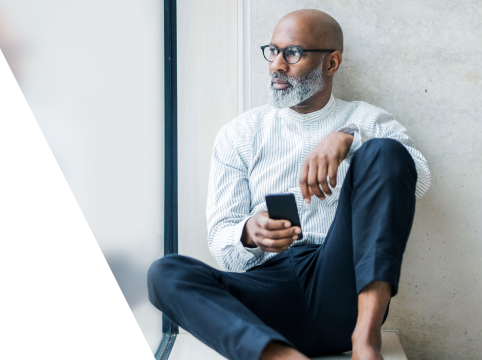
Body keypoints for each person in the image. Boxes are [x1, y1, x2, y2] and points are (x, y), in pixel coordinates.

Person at [147, 9, 431, 360]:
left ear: (332, 62)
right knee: (165, 272)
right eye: (273, 51)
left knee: (386, 150)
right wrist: (249, 233)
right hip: (268, 293)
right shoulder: (239, 134)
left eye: (292, 53)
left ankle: (366, 340)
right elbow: (221, 241)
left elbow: (417, 176)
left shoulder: (365, 119)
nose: (277, 65)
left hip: (340, 285)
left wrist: (350, 138)